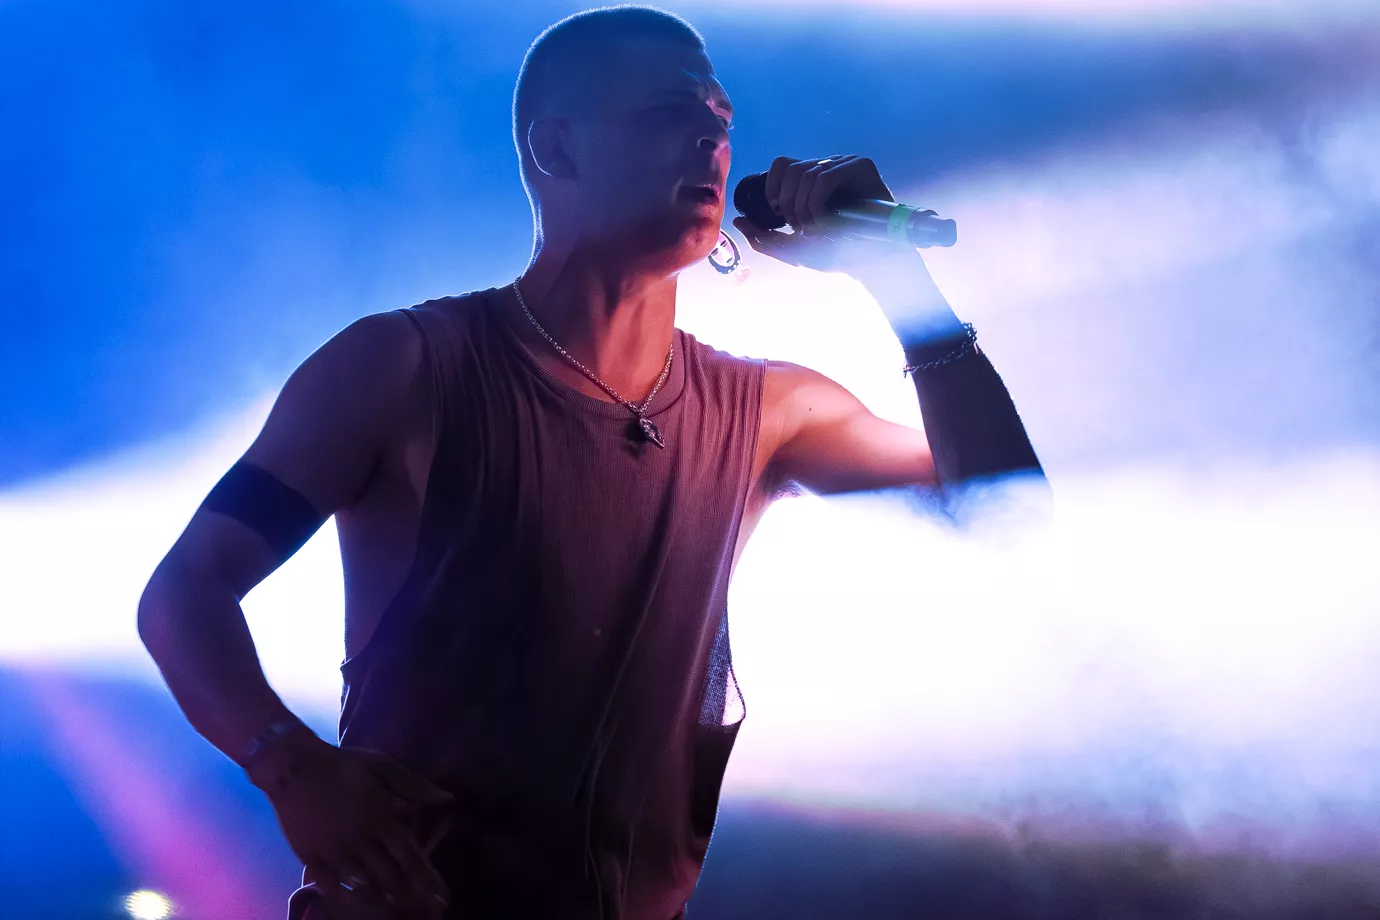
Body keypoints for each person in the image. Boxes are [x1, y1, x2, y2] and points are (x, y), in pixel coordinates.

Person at [137, 6, 1044, 919]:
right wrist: (291, 767)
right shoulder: (403, 366)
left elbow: (1008, 515)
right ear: (556, 148)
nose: (710, 137)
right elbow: (185, 590)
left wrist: (898, 279)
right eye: (668, 112)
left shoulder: (771, 410)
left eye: (719, 119)